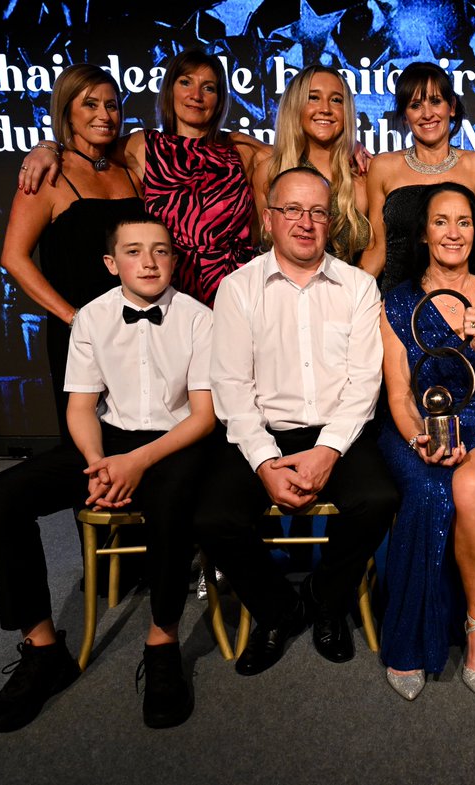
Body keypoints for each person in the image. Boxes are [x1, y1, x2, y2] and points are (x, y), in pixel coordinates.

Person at [0, 216, 215, 731]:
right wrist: (96, 466)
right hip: (107, 441)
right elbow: (81, 407)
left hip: (176, 441)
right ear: (112, 264)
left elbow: (203, 416)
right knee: (1, 495)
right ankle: (41, 649)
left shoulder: (200, 318)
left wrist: (136, 463)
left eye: (161, 251)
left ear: (176, 260)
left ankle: (162, 642)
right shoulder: (90, 317)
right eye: (133, 251)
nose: (149, 261)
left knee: (172, 501)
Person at [194, 167, 398, 676]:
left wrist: (329, 451)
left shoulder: (356, 287)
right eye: (292, 210)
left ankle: (326, 598)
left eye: (317, 212)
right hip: (262, 431)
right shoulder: (238, 289)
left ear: (331, 222)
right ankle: (277, 611)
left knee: (378, 498)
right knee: (212, 517)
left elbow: (362, 384)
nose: (305, 223)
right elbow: (232, 389)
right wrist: (265, 463)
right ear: (269, 220)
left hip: (338, 431)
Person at [377, 183, 475, 700]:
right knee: (428, 492)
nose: (453, 233)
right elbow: (398, 395)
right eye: (441, 221)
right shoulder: (395, 301)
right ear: (423, 232)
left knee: (468, 488)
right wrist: (420, 436)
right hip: (415, 422)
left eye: (464, 221)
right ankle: (411, 634)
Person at [19, 48, 267, 307]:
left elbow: (293, 154)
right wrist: (47, 147)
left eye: (209, 88)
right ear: (170, 90)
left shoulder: (240, 152)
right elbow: (87, 143)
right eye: (185, 82)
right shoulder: (145, 147)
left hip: (236, 300)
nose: (196, 96)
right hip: (167, 304)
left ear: (220, 99)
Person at [0, 64, 145, 434]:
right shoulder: (48, 173)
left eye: (111, 106)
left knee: (144, 430)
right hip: (81, 332)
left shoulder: (129, 166)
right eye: (90, 105)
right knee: (88, 442)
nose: (103, 115)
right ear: (66, 111)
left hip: (139, 327)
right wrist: (73, 318)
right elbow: (13, 258)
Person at [361, 61, 475, 294]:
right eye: (415, 105)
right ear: (405, 115)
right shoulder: (383, 167)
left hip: (459, 302)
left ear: (451, 106)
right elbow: (377, 249)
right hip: (395, 303)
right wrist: (347, 296)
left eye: (435, 101)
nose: (427, 114)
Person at [252, 65, 371, 264]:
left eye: (336, 100)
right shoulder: (269, 173)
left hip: (354, 291)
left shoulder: (363, 173)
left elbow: (378, 249)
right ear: (295, 106)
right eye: (313, 98)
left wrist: (354, 291)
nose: (325, 109)